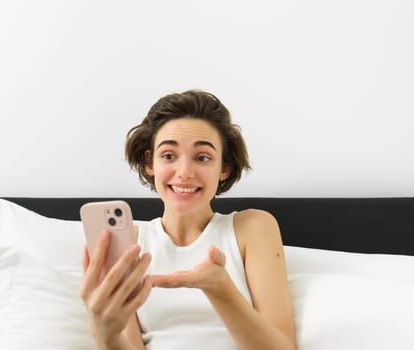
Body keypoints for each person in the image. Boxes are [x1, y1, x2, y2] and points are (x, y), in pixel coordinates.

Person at [79, 90, 296, 349]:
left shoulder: (252, 228)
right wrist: (105, 335)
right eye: (168, 155)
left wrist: (220, 290)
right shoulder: (129, 244)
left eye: (202, 157)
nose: (184, 173)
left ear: (224, 168)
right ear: (150, 163)